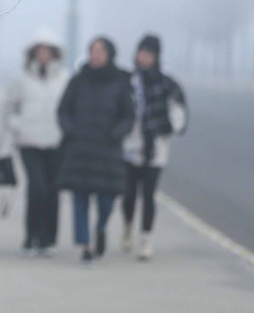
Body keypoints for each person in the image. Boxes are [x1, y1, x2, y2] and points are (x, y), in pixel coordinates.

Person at [57, 37, 135, 263]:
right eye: (93, 51)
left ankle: (100, 228)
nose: (96, 55)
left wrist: (117, 133)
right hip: (79, 149)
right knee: (79, 200)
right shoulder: (78, 81)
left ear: (110, 54)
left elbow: (128, 115)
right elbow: (63, 110)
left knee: (106, 202)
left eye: (101, 51)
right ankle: (86, 245)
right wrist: (70, 130)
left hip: (108, 151)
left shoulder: (120, 82)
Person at [121, 34, 188, 260]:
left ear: (156, 56)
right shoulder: (129, 80)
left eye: (149, 53)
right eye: (142, 52)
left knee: (148, 195)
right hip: (131, 145)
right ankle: (127, 227)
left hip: (156, 147)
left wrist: (170, 128)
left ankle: (145, 239)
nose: (144, 57)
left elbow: (179, 108)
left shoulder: (166, 82)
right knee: (129, 194)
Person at [3, 29, 69, 256]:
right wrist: (17, 126)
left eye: (47, 51)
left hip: (56, 142)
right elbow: (9, 108)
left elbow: (71, 109)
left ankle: (48, 239)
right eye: (39, 51)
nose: (43, 55)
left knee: (53, 190)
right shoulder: (20, 79)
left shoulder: (65, 78)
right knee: (37, 188)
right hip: (29, 141)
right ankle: (31, 236)